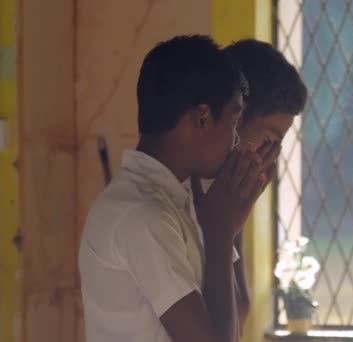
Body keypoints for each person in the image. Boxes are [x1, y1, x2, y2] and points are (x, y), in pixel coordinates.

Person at [79, 35, 278, 342]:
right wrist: (220, 232)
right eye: (234, 121)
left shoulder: (180, 202)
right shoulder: (141, 215)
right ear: (202, 118)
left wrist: (231, 213)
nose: (237, 141)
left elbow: (237, 312)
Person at [222, 38, 308, 330]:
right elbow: (231, 318)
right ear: (235, 116)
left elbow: (240, 310)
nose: (267, 156)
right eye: (268, 141)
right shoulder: (182, 200)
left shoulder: (223, 193)